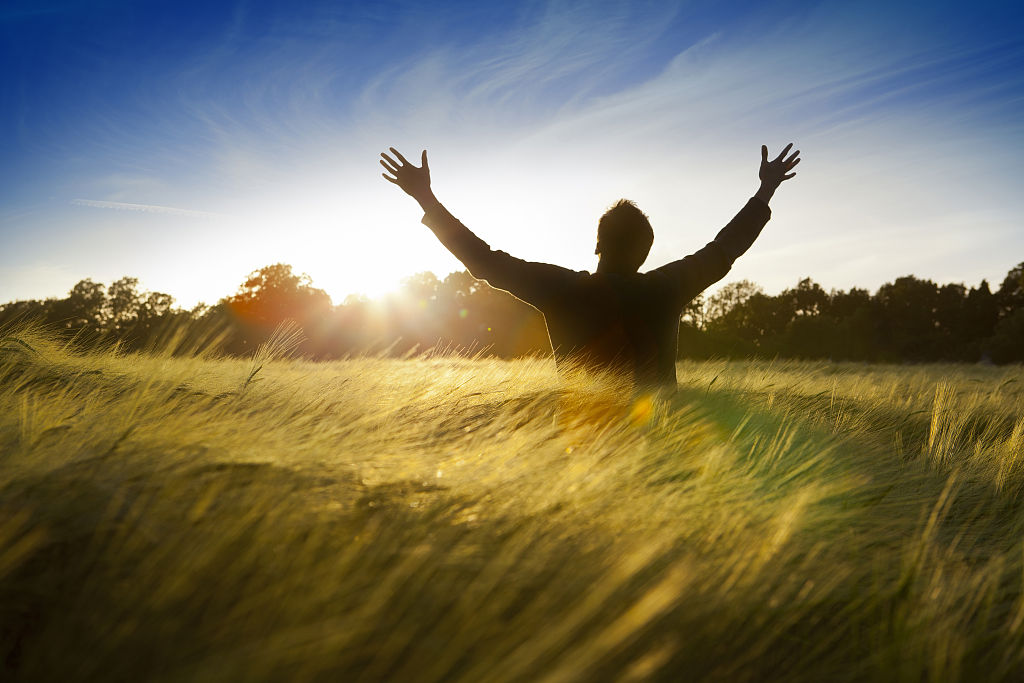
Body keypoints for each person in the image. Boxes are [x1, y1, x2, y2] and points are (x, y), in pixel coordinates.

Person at [380, 143, 800, 390]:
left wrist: (426, 200)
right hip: (660, 454)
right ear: (646, 254)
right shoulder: (665, 288)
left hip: (581, 454)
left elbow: (484, 259)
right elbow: (724, 249)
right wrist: (765, 191)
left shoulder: (561, 290)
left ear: (597, 244)